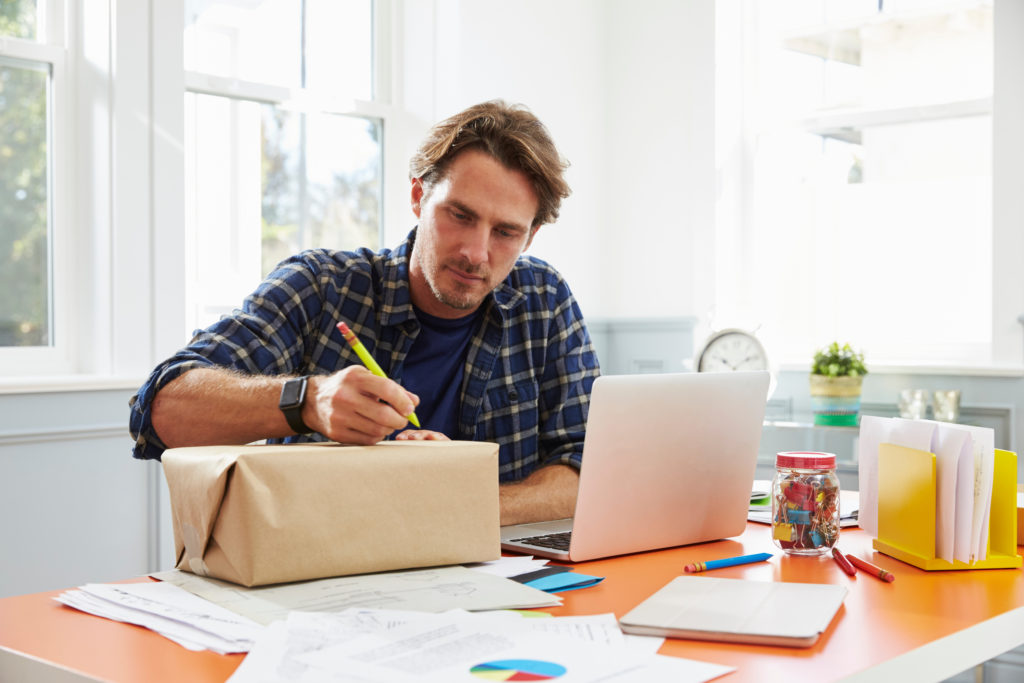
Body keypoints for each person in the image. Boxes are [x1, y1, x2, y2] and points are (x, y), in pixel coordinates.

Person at [128, 100, 600, 525]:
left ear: (531, 236)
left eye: (505, 233)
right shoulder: (320, 286)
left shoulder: (544, 298)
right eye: (459, 215)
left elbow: (589, 467)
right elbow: (159, 411)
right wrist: (306, 401)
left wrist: (465, 499)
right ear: (418, 196)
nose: (476, 253)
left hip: (494, 584)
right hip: (320, 580)